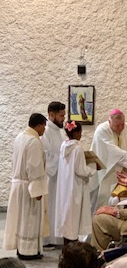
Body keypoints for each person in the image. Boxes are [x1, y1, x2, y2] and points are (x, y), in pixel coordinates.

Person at [3, 113, 48, 260]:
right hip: (29, 186)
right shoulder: (33, 141)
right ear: (40, 125)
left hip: (19, 184)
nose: (44, 130)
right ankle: (28, 251)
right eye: (44, 127)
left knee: (20, 219)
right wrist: (38, 189)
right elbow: (34, 167)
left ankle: (21, 249)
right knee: (29, 220)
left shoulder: (20, 137)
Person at [90, 109, 127, 211]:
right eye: (117, 126)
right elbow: (110, 151)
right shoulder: (102, 130)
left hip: (122, 172)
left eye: (122, 124)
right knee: (102, 200)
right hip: (105, 173)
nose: (120, 128)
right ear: (109, 122)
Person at [55, 120, 96, 246]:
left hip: (65, 185)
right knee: (74, 215)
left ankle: (67, 243)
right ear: (77, 132)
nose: (81, 135)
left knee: (67, 215)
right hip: (75, 186)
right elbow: (81, 170)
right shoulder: (77, 148)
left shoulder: (64, 146)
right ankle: (72, 244)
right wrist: (93, 166)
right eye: (80, 132)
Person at [41, 101, 66, 247]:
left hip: (59, 176)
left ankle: (56, 237)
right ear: (51, 114)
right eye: (61, 115)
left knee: (57, 207)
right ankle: (48, 239)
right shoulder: (46, 131)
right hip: (51, 177)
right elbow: (46, 155)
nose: (63, 118)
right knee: (50, 207)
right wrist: (63, 160)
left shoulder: (58, 130)